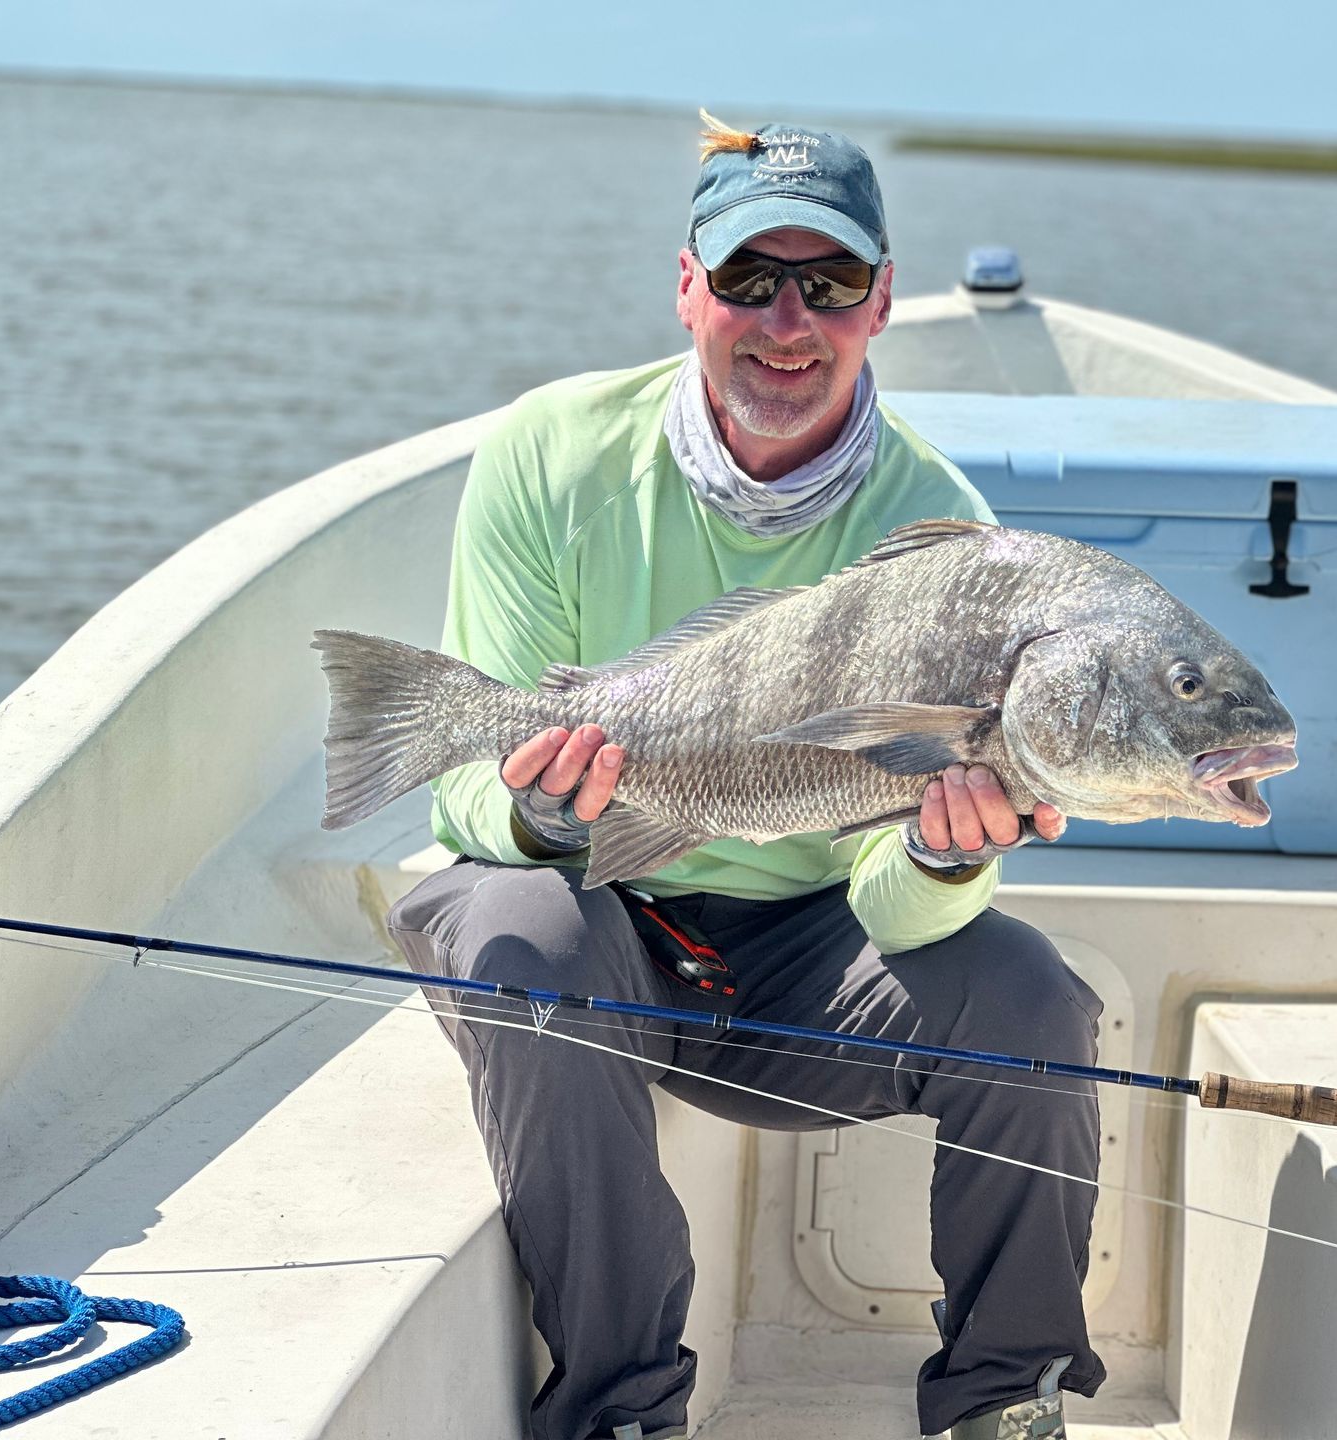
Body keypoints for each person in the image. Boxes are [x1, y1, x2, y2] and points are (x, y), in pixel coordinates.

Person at [385, 113, 1106, 1440]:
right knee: (525, 924)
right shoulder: (551, 455)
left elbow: (893, 912)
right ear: (686, 288)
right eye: (747, 279)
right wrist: (543, 808)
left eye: (828, 283)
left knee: (1035, 999)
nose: (787, 319)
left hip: (799, 958)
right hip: (593, 912)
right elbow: (466, 807)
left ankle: (1006, 1401)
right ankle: (620, 1411)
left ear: (882, 301)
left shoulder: (943, 533)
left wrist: (948, 853)